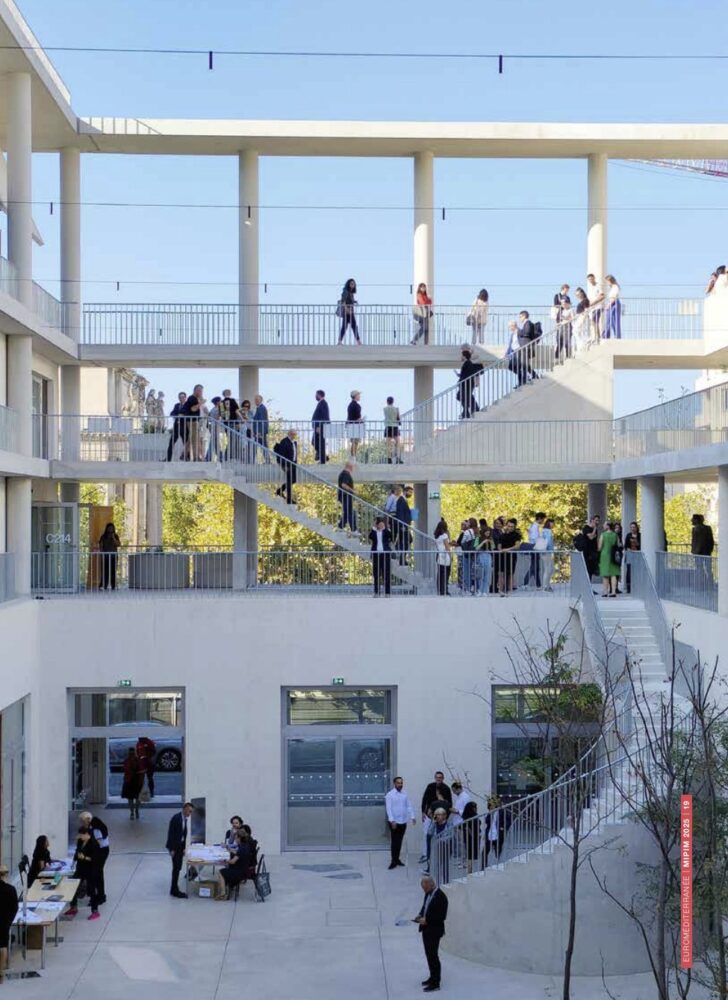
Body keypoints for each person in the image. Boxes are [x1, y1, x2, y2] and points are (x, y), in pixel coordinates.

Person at [415, 875, 448, 993]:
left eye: (424, 887)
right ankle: (432, 977)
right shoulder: (428, 894)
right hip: (426, 929)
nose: (423, 890)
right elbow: (425, 907)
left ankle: (436, 983)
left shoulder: (441, 897)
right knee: (429, 955)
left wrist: (427, 920)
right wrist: (420, 915)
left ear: (431, 884)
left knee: (433, 956)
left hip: (434, 931)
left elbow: (441, 916)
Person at [69, 826, 102, 920]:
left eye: (82, 835)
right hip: (80, 868)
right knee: (73, 886)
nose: (80, 837)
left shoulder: (94, 844)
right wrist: (75, 860)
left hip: (90, 870)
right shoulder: (80, 841)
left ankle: (95, 910)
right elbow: (77, 851)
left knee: (91, 890)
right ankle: (73, 907)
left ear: (87, 834)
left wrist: (85, 858)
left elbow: (95, 859)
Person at [420, 772, 452, 864]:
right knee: (426, 834)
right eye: (437, 777)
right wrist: (423, 812)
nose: (438, 779)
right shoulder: (430, 786)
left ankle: (439, 854)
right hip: (429, 816)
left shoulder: (446, 788)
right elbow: (424, 799)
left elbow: (450, 804)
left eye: (440, 777)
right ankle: (425, 854)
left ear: (443, 778)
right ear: (435, 778)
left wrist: (445, 818)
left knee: (440, 836)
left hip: (441, 818)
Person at [79, 811, 110, 905]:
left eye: (82, 821)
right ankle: (99, 895)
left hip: (100, 852)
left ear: (88, 819)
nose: (82, 823)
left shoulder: (95, 828)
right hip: (102, 851)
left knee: (97, 874)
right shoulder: (97, 824)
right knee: (97, 874)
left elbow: (98, 843)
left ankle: (100, 896)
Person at [218, 826, 257, 899]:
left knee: (221, 872)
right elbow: (237, 853)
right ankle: (227, 888)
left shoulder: (242, 848)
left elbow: (232, 862)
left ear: (239, 838)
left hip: (240, 872)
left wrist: (224, 861)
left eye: (236, 838)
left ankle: (223, 894)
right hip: (244, 869)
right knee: (226, 869)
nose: (235, 840)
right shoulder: (245, 846)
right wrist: (228, 848)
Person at [385, 776, 415, 868]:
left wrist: (412, 816)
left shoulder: (405, 794)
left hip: (403, 821)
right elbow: (389, 809)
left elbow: (408, 806)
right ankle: (393, 861)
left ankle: (397, 859)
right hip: (394, 822)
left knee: (399, 841)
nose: (400, 784)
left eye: (401, 783)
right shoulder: (390, 795)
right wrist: (392, 820)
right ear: (394, 783)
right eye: (398, 783)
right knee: (394, 841)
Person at [166, 802, 194, 898]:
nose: (190, 813)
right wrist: (172, 849)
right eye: (189, 811)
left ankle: (174, 889)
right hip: (175, 848)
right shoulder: (176, 818)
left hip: (179, 847)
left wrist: (183, 848)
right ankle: (174, 890)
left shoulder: (184, 819)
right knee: (176, 868)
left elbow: (183, 835)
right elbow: (171, 834)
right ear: (185, 809)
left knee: (178, 867)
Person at [0, 864, 19, 980]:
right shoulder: (11, 889)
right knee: (3, 946)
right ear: (6, 875)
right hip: (4, 922)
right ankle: (1, 972)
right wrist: (9, 920)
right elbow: (15, 907)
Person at [369, 516, 392, 596]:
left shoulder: (385, 531)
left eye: (381, 523)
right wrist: (373, 528)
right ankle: (377, 592)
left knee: (386, 573)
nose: (380, 525)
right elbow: (370, 536)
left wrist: (385, 528)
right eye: (378, 524)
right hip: (376, 554)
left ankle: (387, 592)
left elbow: (390, 536)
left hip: (385, 554)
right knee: (376, 574)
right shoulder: (374, 532)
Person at [180, 384, 204, 460]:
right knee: (195, 439)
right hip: (192, 421)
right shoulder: (192, 398)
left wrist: (200, 400)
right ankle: (196, 457)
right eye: (200, 391)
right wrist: (200, 403)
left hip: (194, 421)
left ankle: (183, 454)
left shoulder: (195, 398)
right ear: (196, 390)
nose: (201, 392)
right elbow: (193, 409)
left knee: (191, 438)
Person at [457, 349, 484, 419]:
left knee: (463, 396)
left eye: (462, 356)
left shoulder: (468, 363)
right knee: (464, 397)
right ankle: (467, 412)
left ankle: (470, 411)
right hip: (465, 383)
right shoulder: (467, 363)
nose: (461, 357)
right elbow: (467, 373)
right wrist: (460, 375)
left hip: (467, 384)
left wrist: (462, 378)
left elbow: (469, 373)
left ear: (464, 356)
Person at [498, 518, 522, 594]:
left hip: (511, 556)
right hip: (502, 556)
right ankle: (501, 591)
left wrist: (507, 549)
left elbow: (517, 546)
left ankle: (510, 591)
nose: (510, 528)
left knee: (510, 574)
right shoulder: (502, 535)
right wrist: (501, 549)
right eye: (508, 526)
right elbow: (499, 545)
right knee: (501, 573)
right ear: (506, 525)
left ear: (514, 527)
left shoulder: (516, 535)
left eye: (512, 526)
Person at [273, 430, 298, 504]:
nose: (294, 436)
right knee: (290, 480)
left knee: (293, 480)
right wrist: (284, 465)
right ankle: (289, 499)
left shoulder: (294, 442)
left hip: (293, 464)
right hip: (287, 464)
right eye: (293, 434)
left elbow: (294, 454)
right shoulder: (284, 441)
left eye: (295, 434)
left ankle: (279, 491)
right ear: (289, 434)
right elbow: (281, 455)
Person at [524, 512, 547, 589]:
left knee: (536, 566)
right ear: (539, 518)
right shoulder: (535, 527)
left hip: (535, 547)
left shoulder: (533, 526)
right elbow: (533, 538)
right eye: (543, 519)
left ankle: (538, 584)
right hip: (534, 547)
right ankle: (525, 582)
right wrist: (540, 542)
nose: (543, 521)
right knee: (534, 566)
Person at [598, 521, 621, 597]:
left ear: (608, 526)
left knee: (605, 574)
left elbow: (599, 547)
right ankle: (613, 592)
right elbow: (618, 545)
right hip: (613, 555)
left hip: (605, 555)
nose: (603, 526)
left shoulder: (603, 535)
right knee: (613, 574)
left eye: (604, 525)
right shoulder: (615, 535)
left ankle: (605, 592)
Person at [121, 747, 143, 820]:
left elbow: (125, 771)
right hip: (135, 781)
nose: (131, 754)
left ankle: (133, 812)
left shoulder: (127, 761)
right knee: (136, 798)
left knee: (132, 798)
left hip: (131, 781)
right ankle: (135, 811)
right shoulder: (137, 760)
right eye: (131, 753)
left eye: (132, 753)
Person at [553, 284, 573, 361]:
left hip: (566, 323)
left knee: (567, 341)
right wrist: (561, 305)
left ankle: (568, 356)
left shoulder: (568, 298)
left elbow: (571, 314)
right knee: (559, 340)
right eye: (566, 289)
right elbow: (555, 305)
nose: (567, 291)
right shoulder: (557, 296)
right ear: (563, 289)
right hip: (560, 320)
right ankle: (557, 356)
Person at [98, 522, 120, 591]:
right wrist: (102, 553)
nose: (110, 529)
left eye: (112, 528)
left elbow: (118, 544)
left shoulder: (115, 536)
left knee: (113, 571)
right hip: (106, 556)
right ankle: (103, 585)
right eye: (109, 528)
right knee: (105, 571)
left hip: (114, 556)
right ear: (107, 528)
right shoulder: (103, 536)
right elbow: (100, 545)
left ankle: (113, 585)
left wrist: (113, 538)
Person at [338, 278, 361, 345]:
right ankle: (358, 341)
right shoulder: (346, 291)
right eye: (351, 283)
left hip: (350, 311)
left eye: (353, 284)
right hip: (347, 312)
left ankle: (340, 341)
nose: (352, 285)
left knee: (347, 326)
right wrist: (347, 309)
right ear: (348, 284)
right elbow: (343, 301)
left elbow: (348, 300)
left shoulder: (350, 292)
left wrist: (354, 301)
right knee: (352, 326)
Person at [474, 524, 495, 596]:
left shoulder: (491, 539)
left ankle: (485, 590)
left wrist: (491, 543)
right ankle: (479, 590)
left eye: (489, 532)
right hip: (481, 555)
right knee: (481, 574)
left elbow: (493, 548)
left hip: (488, 556)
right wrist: (483, 542)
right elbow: (476, 548)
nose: (488, 533)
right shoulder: (478, 538)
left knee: (487, 573)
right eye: (486, 532)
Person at [166, 391, 187, 461]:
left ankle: (188, 458)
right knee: (171, 443)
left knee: (186, 444)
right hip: (176, 427)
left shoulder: (187, 405)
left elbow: (188, 413)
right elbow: (172, 413)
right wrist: (178, 415)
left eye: (183, 397)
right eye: (180, 397)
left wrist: (182, 415)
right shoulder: (177, 405)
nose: (181, 399)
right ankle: (168, 459)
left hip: (185, 427)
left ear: (185, 398)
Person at [394, 485, 412, 565]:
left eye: (411, 492)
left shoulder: (404, 500)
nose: (411, 494)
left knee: (405, 540)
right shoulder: (401, 500)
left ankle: (401, 556)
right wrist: (402, 525)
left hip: (405, 525)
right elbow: (400, 514)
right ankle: (401, 558)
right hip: (403, 526)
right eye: (409, 492)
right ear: (404, 491)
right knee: (408, 540)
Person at [505, 321, 527, 388]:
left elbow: (523, 341)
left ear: (513, 326)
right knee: (511, 367)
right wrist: (507, 353)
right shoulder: (513, 334)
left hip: (519, 351)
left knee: (517, 366)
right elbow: (510, 344)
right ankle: (523, 379)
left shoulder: (520, 332)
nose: (509, 328)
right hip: (514, 352)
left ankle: (522, 381)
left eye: (510, 327)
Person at [311, 390, 330, 464]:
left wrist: (319, 426)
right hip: (318, 427)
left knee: (319, 442)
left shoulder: (323, 403)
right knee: (315, 442)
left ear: (319, 395)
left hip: (320, 427)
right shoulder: (321, 403)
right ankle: (323, 457)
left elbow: (324, 416)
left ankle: (323, 460)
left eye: (316, 395)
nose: (315, 396)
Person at [434, 519, 451, 596]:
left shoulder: (437, 536)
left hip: (439, 555)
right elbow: (447, 547)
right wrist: (450, 556)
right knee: (446, 574)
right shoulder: (444, 536)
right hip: (445, 556)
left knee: (440, 573)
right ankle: (445, 590)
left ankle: (440, 589)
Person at [623, 521, 640, 594]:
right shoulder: (628, 535)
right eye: (631, 527)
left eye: (634, 527)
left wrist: (636, 542)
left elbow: (641, 545)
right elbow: (625, 546)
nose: (633, 529)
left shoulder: (640, 535)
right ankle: (629, 587)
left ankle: (637, 586)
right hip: (630, 555)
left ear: (636, 528)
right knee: (629, 571)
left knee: (637, 571)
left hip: (637, 555)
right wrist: (628, 549)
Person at [383, 396, 401, 464]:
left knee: (388, 444)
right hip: (395, 426)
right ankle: (397, 458)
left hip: (388, 426)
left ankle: (389, 458)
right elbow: (398, 418)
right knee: (397, 443)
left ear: (387, 401)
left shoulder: (385, 409)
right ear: (393, 402)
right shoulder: (396, 409)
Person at [586, 274, 605, 339]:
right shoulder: (590, 287)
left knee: (595, 321)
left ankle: (598, 337)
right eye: (589, 280)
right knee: (593, 322)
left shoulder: (598, 286)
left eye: (591, 279)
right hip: (591, 308)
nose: (590, 280)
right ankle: (596, 336)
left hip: (598, 306)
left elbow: (602, 296)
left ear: (594, 278)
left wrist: (593, 303)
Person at [346, 390, 363, 459]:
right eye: (358, 395)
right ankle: (353, 457)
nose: (359, 396)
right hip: (355, 426)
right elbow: (357, 418)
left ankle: (353, 457)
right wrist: (361, 420)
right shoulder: (356, 405)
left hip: (351, 425)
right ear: (355, 396)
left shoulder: (350, 405)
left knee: (354, 442)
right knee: (355, 442)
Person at [603, 274, 622, 339]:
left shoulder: (615, 287)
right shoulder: (612, 288)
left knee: (614, 320)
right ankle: (606, 335)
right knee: (609, 320)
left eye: (607, 281)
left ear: (610, 281)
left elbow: (614, 297)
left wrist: (609, 305)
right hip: (611, 303)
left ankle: (617, 335)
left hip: (614, 304)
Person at [573, 286, 590, 351]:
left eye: (578, 294)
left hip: (582, 317)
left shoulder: (585, 300)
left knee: (578, 331)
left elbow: (586, 310)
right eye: (576, 295)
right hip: (579, 317)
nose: (577, 296)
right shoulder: (580, 301)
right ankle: (580, 345)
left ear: (582, 293)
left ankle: (583, 344)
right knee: (576, 331)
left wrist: (583, 317)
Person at [541, 517, 556, 591]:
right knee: (548, 569)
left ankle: (547, 585)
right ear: (549, 523)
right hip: (547, 552)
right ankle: (545, 586)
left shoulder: (544, 530)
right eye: (552, 523)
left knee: (549, 569)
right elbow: (548, 541)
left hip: (545, 551)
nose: (553, 524)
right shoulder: (548, 531)